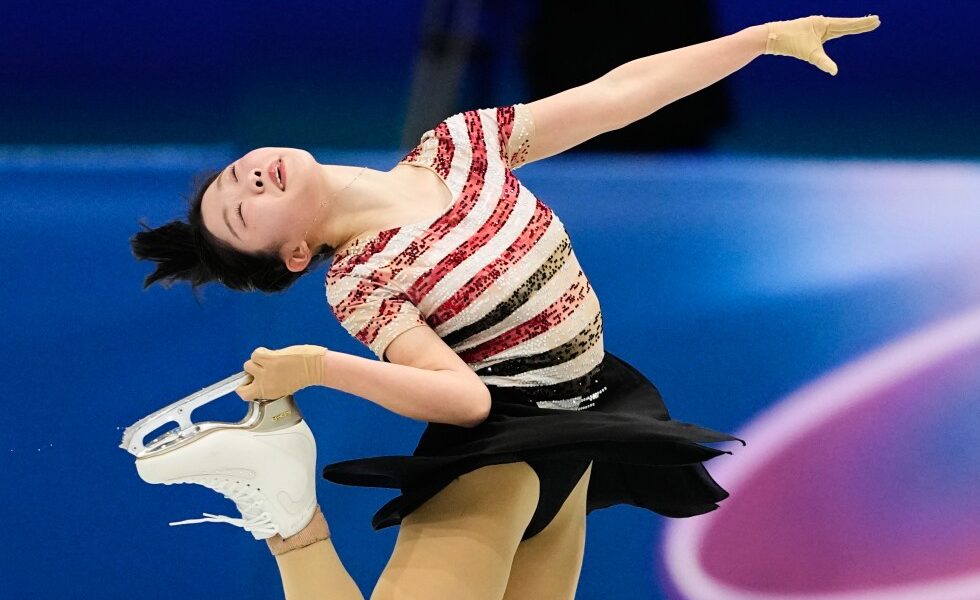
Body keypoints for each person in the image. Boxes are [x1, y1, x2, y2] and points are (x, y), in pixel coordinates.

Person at [130, 15, 880, 600]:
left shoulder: (460, 145)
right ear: (294, 255)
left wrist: (754, 41)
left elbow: (613, 98)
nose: (247, 183)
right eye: (238, 211)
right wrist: (323, 368)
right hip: (498, 457)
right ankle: (288, 517)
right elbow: (461, 398)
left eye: (237, 176)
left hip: (576, 434)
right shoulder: (359, 278)